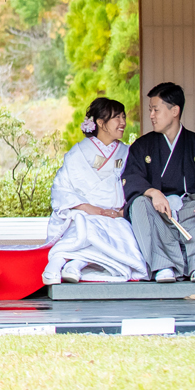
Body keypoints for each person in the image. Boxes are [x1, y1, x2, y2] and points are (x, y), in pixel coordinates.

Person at [122, 81, 195, 289]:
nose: (151, 115)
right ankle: (162, 266)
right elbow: (131, 177)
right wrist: (153, 193)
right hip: (159, 210)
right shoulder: (142, 146)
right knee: (139, 203)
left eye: (156, 110)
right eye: (150, 110)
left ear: (175, 110)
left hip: (192, 210)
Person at [42, 98, 148, 284]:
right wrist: (87, 208)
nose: (123, 122)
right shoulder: (78, 152)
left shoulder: (128, 152)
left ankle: (75, 265)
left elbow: (136, 185)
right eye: (117, 117)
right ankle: (57, 264)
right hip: (84, 211)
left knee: (116, 233)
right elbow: (62, 187)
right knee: (85, 228)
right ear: (100, 122)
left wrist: (121, 212)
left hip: (114, 216)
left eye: (123, 117)